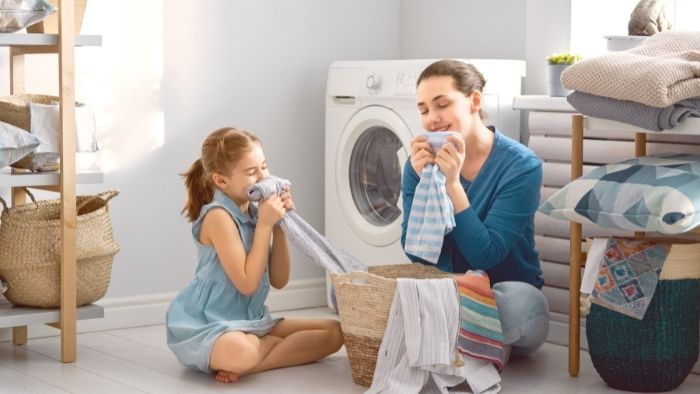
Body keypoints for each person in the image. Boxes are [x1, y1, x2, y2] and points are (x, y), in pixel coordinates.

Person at [166, 127, 343, 383]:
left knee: (335, 333)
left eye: (264, 167)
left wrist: (281, 224)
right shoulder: (218, 217)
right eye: (251, 172)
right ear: (221, 181)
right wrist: (264, 226)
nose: (262, 177)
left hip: (252, 321)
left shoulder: (255, 212)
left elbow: (280, 280)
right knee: (240, 350)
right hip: (210, 325)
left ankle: (253, 362)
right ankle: (250, 354)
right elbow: (248, 284)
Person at [401, 59, 550, 357]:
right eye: (424, 109)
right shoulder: (420, 165)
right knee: (346, 292)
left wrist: (452, 186)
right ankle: (469, 343)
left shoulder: (521, 166)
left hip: (502, 295)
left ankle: (445, 338)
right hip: (448, 294)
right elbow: (416, 251)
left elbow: (487, 255)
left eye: (441, 105)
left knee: (519, 306)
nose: (432, 119)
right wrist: (422, 184)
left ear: (475, 101)